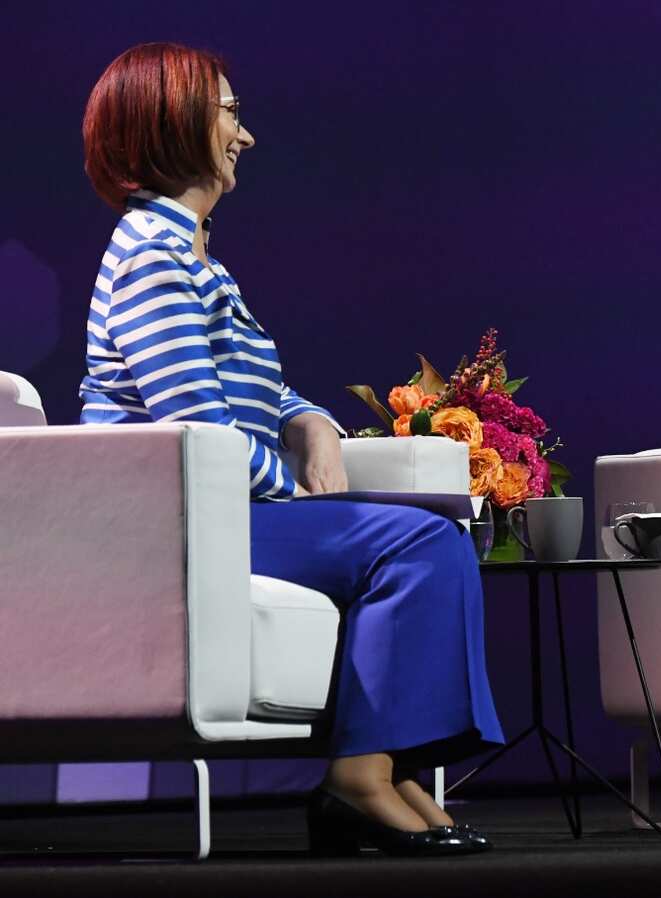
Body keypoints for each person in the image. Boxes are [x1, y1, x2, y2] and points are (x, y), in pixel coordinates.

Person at [79, 43, 503, 856]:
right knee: (416, 540)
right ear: (175, 123)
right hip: (183, 524)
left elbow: (259, 393)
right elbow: (198, 423)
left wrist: (310, 422)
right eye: (230, 114)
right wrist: (295, 492)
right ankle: (358, 779)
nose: (245, 136)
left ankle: (390, 766)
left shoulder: (197, 257)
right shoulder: (151, 258)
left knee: (430, 530)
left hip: (232, 507)